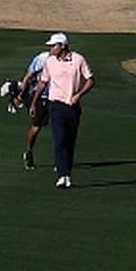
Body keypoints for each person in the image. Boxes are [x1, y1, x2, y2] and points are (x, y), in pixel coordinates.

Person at [40, 32, 93, 188]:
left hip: (72, 106)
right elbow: (44, 82)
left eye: (53, 46)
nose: (50, 48)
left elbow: (90, 80)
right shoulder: (49, 61)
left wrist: (78, 95)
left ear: (62, 46)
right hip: (55, 105)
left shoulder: (78, 60)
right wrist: (35, 100)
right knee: (59, 138)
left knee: (69, 141)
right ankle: (61, 175)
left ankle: (67, 174)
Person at [15, 43, 51, 170]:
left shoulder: (68, 61)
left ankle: (61, 159)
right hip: (40, 97)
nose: (52, 48)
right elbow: (28, 77)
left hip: (59, 97)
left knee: (61, 128)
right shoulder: (42, 58)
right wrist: (20, 96)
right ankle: (29, 152)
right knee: (37, 127)